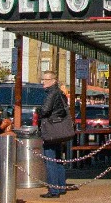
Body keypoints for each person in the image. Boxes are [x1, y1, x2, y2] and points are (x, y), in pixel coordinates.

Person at [39, 71, 68, 199]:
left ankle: (54, 190)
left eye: (46, 79)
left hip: (51, 130)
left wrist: (38, 110)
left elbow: (45, 110)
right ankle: (61, 186)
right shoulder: (61, 94)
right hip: (60, 129)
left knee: (50, 160)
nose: (43, 82)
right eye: (43, 79)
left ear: (53, 80)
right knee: (58, 160)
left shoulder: (52, 93)